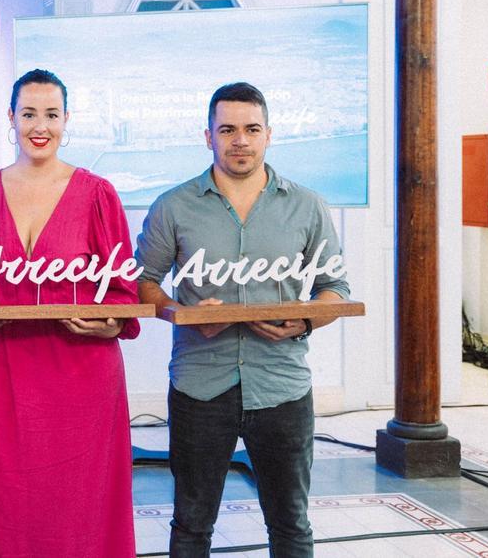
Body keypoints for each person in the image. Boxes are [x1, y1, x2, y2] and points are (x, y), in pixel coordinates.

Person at [135, 82, 350, 558]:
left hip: (282, 385)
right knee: (191, 524)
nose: (240, 140)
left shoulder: (307, 206)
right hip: (199, 385)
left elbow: (336, 291)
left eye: (251, 129)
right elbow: (143, 281)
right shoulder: (173, 206)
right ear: (207, 136)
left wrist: (305, 322)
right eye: (227, 129)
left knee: (291, 524)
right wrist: (182, 315)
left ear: (268, 134)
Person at [0, 69, 140, 557]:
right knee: (2, 501)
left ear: (66, 119)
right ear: (10, 118)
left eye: (51, 114)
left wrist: (110, 321)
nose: (40, 125)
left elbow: (123, 290)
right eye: (29, 113)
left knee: (79, 510)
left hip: (82, 379)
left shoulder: (98, 194)